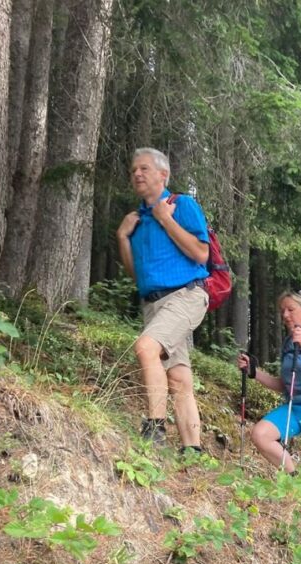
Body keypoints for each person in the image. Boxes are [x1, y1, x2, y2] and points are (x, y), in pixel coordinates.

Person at [117, 147, 210, 453]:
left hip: (186, 295)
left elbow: (201, 254)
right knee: (179, 378)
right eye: (133, 171)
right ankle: (193, 451)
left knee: (146, 347)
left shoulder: (180, 204)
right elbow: (138, 274)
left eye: (144, 169)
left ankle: (154, 429)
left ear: (163, 175)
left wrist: (165, 220)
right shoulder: (138, 220)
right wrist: (123, 238)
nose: (137, 174)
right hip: (154, 304)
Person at [237, 291, 301, 491]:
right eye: (282, 310)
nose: (285, 315)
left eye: (291, 309)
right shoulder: (287, 342)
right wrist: (253, 372)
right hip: (295, 406)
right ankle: (294, 479)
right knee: (261, 434)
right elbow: (284, 385)